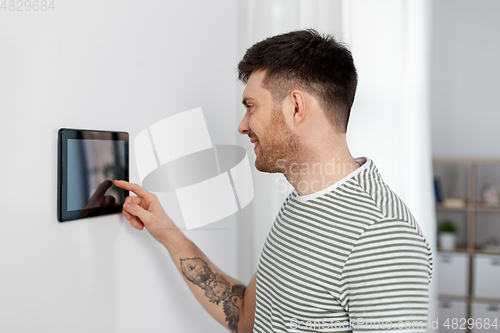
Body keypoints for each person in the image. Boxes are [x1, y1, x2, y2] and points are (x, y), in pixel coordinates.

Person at [114, 29, 433, 333]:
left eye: (251, 107)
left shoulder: (381, 235)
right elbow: (245, 315)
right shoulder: (301, 205)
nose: (242, 125)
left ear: (296, 107)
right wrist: (168, 232)